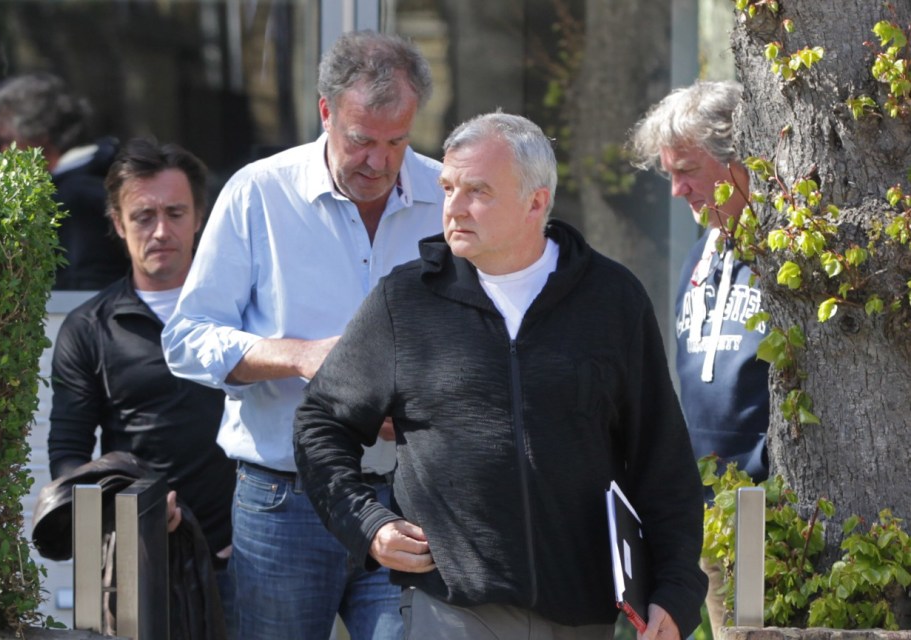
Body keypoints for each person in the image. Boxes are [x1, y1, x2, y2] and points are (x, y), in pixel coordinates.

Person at [293, 111, 708, 640]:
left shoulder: (612, 300)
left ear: (536, 202)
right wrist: (367, 524)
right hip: (450, 610)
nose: (453, 208)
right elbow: (319, 423)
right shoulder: (405, 301)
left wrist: (675, 591)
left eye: (478, 192)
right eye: (448, 187)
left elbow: (661, 457)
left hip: (586, 615)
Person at [162, 30, 445, 640]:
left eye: (398, 141)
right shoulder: (257, 192)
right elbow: (186, 337)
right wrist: (298, 357)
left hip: (412, 499)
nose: (380, 162)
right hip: (283, 503)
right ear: (325, 112)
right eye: (361, 140)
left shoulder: (450, 199)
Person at [48, 138, 236, 633]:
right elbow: (68, 456)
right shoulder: (89, 328)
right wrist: (124, 503)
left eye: (175, 213)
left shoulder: (246, 313)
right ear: (116, 222)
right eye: (143, 216)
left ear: (200, 216)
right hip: (135, 560)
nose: (160, 231)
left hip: (247, 554)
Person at [627, 80, 771, 637]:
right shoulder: (701, 252)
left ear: (739, 161)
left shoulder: (783, 258)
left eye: (686, 169)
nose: (676, 190)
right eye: (668, 173)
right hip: (707, 512)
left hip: (768, 510)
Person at [0, 72, 129, 290]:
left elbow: (84, 286)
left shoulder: (76, 193)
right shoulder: (92, 179)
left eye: (6, 141)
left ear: (39, 135)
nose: (2, 153)